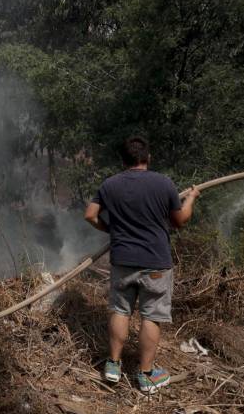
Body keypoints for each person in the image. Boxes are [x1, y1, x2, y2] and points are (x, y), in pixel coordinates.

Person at [84, 136, 200, 393]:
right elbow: (179, 220)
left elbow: (90, 215)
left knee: (120, 310)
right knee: (151, 316)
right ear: (148, 158)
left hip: (122, 260)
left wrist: (110, 229)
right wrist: (191, 198)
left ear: (122, 160)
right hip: (155, 264)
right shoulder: (164, 183)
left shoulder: (110, 184)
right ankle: (146, 375)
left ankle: (113, 365)